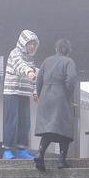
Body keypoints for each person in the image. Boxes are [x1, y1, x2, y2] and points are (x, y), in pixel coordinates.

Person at [33, 38, 77, 171]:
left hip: (46, 96)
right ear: (68, 50)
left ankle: (40, 153)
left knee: (48, 128)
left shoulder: (46, 61)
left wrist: (41, 95)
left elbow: (39, 80)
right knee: (65, 128)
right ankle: (61, 161)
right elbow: (71, 79)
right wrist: (68, 95)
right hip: (61, 96)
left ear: (56, 48)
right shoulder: (69, 61)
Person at [2, 29, 39, 160]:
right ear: (23, 43)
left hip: (24, 93)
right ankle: (7, 150)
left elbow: (34, 76)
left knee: (25, 122)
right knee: (11, 121)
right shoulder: (15, 53)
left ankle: (21, 150)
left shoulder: (31, 59)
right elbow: (19, 65)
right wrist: (28, 72)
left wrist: (35, 91)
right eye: (30, 43)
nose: (32, 46)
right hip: (12, 91)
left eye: (34, 44)